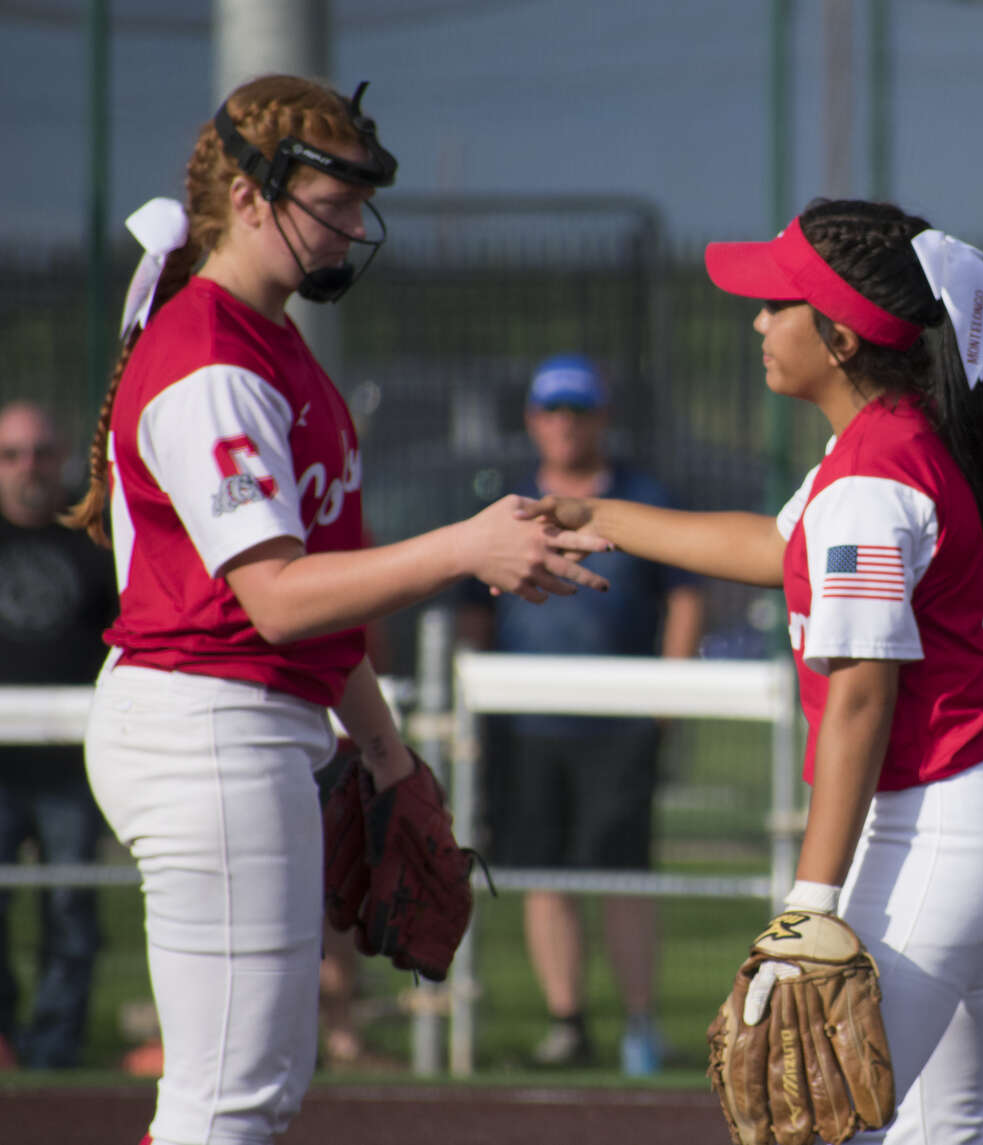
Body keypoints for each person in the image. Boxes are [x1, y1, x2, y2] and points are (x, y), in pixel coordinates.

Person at [65, 74, 607, 1145]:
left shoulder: (269, 345)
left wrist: (387, 752)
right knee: (230, 1099)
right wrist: (466, 545)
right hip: (205, 724)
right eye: (333, 199)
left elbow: (315, 609)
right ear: (254, 196)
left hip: (239, 720)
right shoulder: (212, 358)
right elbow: (274, 598)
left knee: (250, 1090)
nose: (356, 226)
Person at [526, 200, 983, 1143]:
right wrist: (590, 514)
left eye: (778, 302)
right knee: (938, 1130)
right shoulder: (885, 438)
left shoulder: (871, 475)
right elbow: (772, 544)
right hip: (981, 801)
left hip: (944, 812)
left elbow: (860, 695)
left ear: (842, 336)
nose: (759, 321)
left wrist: (809, 910)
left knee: (813, 1121)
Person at [458, 354, 704, 1076]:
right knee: (544, 874)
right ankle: (568, 1022)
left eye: (578, 409)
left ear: (603, 417)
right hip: (527, 725)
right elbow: (473, 606)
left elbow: (686, 593)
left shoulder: (641, 498)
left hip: (620, 723)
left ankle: (640, 1028)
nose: (565, 423)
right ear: (534, 420)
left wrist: (669, 697)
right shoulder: (503, 506)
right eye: (552, 410)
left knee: (625, 876)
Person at [0, 401, 117, 1070]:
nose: (29, 468)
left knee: (72, 907)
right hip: (0, 763)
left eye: (41, 452)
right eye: (13, 454)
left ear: (64, 453)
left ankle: (54, 1050)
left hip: (74, 760)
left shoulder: (93, 533)